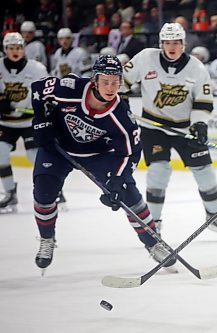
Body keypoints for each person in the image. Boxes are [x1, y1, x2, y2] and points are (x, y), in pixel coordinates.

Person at [30, 55, 177, 273]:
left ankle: (154, 243)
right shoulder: (70, 88)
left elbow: (130, 153)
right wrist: (41, 119)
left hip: (98, 155)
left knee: (128, 193)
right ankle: (47, 239)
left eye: (115, 81)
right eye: (105, 81)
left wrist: (118, 180)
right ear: (95, 80)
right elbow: (37, 88)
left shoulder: (122, 116)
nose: (110, 87)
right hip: (58, 149)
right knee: (43, 191)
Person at [122, 23, 217, 238]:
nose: (171, 47)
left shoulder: (197, 68)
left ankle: (214, 216)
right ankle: (152, 224)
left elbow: (203, 102)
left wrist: (199, 125)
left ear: (183, 44)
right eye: (167, 42)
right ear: (161, 44)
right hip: (153, 126)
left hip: (185, 128)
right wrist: (122, 103)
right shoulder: (146, 58)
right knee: (159, 172)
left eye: (176, 42)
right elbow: (122, 82)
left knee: (205, 173)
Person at [0, 32, 48, 213]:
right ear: (5, 49)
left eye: (18, 47)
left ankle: (49, 190)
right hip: (6, 123)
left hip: (30, 121)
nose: (15, 51)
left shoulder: (36, 68)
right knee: (0, 153)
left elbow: (45, 92)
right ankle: (10, 193)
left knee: (34, 157)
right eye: (11, 48)